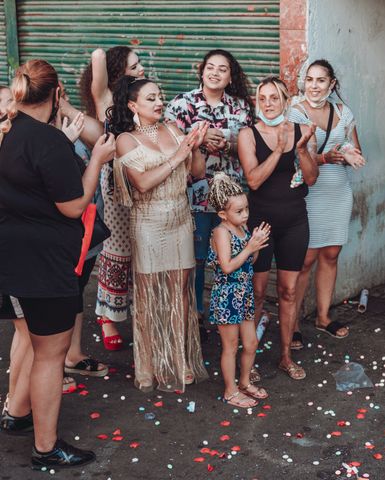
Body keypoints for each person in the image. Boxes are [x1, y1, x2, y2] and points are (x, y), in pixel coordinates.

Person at [0, 59, 115, 467]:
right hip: (44, 263)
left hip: (11, 257)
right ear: (54, 94)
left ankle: (16, 413)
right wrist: (97, 158)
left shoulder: (9, 129)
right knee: (51, 353)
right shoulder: (45, 141)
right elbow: (72, 206)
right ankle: (46, 448)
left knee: (27, 338)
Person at [109, 76, 209, 392]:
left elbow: (198, 173)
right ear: (133, 105)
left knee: (180, 292)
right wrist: (178, 156)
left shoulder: (172, 130)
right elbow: (142, 183)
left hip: (180, 218)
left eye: (160, 97)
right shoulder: (126, 139)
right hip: (148, 222)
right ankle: (150, 364)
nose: (159, 102)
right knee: (150, 294)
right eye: (151, 98)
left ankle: (178, 358)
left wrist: (195, 147)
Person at [165, 49, 254, 332]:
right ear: (202, 71)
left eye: (222, 69)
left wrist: (226, 142)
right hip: (194, 195)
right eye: (210, 68)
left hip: (231, 198)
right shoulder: (182, 103)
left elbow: (249, 144)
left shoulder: (240, 106)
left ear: (230, 77)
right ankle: (195, 314)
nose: (215, 73)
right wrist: (199, 140)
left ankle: (229, 312)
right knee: (197, 257)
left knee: (233, 252)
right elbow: (168, 143)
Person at [238, 77, 319, 380]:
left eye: (274, 98)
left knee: (288, 290)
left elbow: (311, 178)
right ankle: (249, 360)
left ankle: (285, 356)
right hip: (261, 223)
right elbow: (254, 180)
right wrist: (278, 150)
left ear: (286, 101)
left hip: (295, 220)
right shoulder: (248, 134)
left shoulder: (301, 132)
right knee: (257, 293)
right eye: (263, 98)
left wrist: (299, 150)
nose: (268, 103)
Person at [288, 60, 366, 347]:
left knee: (331, 254)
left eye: (321, 80)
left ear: (331, 84)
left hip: (338, 192)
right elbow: (293, 156)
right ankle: (292, 322)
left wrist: (348, 153)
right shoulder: (295, 112)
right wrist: (326, 157)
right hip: (309, 193)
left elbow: (356, 148)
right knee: (305, 259)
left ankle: (323, 317)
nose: (314, 86)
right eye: (309, 79)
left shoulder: (344, 113)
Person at [80, 46, 145, 351]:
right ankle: (107, 317)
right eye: (134, 66)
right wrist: (107, 57)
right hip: (116, 182)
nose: (141, 69)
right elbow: (97, 59)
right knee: (117, 250)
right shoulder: (106, 99)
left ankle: (140, 312)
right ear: (119, 73)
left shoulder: (145, 95)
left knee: (142, 248)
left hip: (145, 180)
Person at [207, 173, 270, 408]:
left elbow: (249, 262)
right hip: (227, 295)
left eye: (246, 209)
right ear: (223, 214)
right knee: (231, 346)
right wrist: (250, 247)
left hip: (244, 293)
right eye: (239, 211)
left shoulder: (242, 229)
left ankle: (244, 382)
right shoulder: (221, 232)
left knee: (251, 342)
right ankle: (230, 391)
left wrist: (255, 245)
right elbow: (227, 266)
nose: (245, 215)